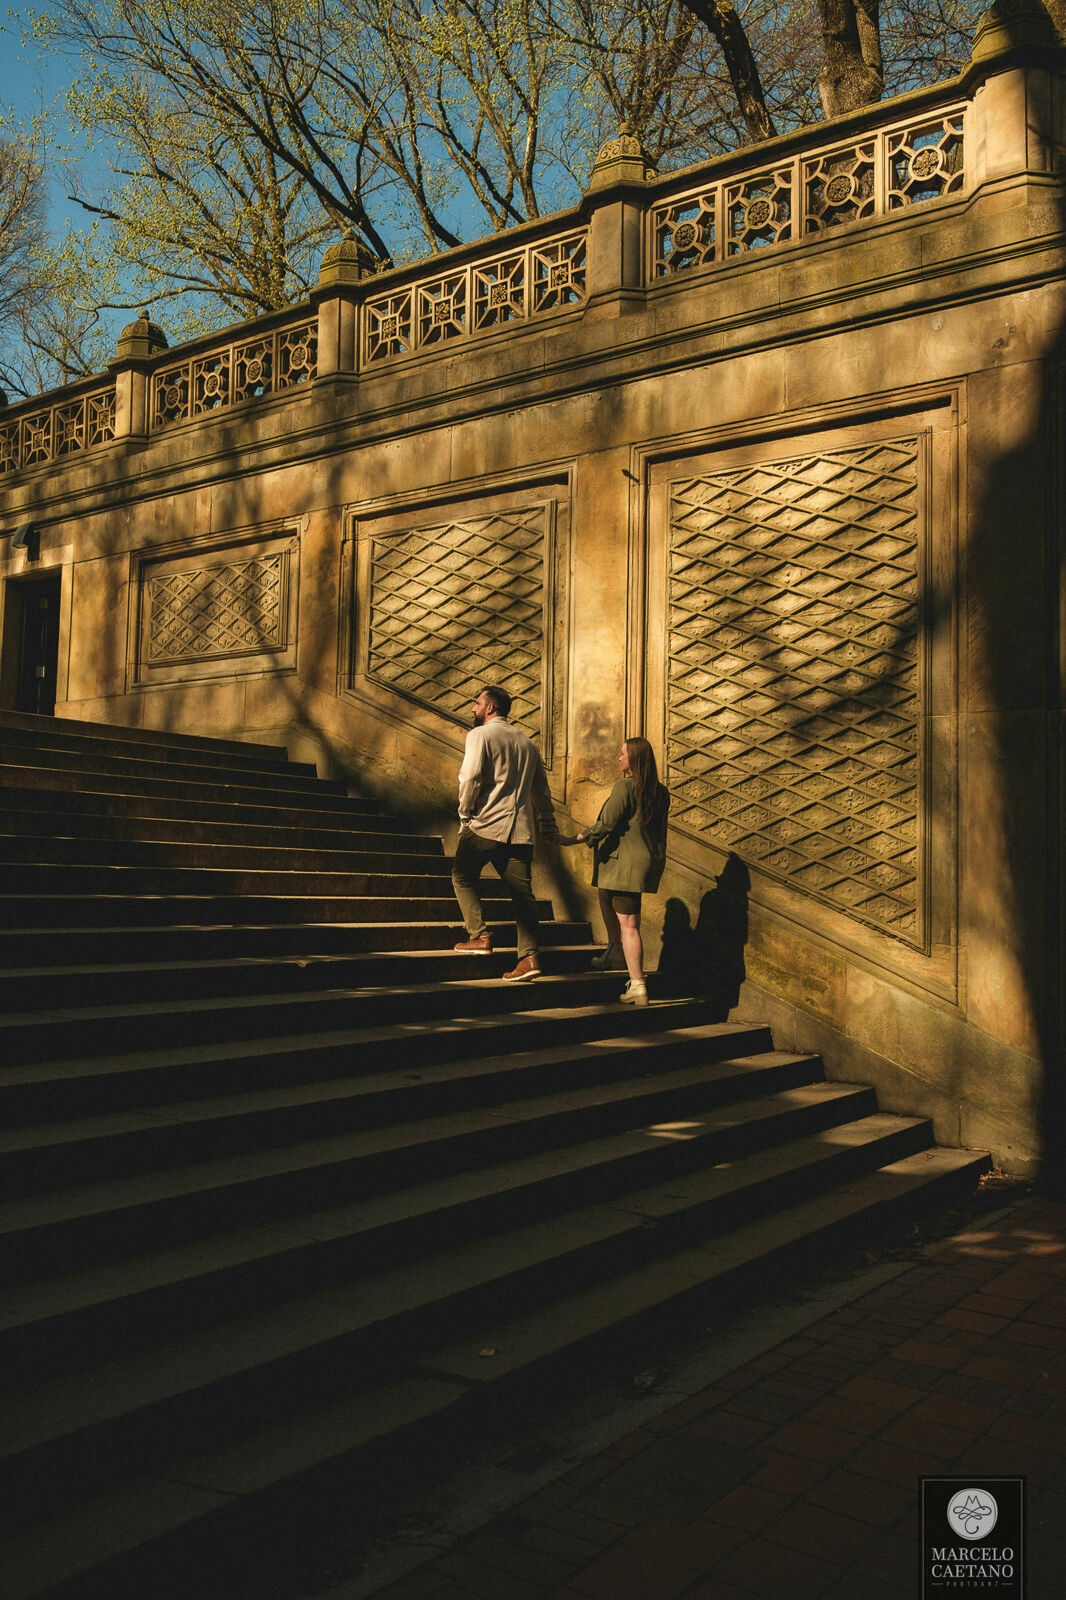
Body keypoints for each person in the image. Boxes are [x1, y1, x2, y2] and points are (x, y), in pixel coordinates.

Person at [451, 685, 558, 982]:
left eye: (477, 703)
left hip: (485, 825)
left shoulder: (480, 735)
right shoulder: (528, 744)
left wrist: (465, 813)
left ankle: (479, 935)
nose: (473, 708)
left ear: (490, 707)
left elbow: (470, 777)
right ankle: (528, 957)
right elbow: (541, 791)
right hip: (521, 832)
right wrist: (547, 822)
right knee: (523, 897)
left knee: (462, 877)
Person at [557, 737, 669, 1006]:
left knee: (629, 925)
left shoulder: (625, 787)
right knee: (605, 894)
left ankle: (637, 984)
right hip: (644, 863)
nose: (619, 758)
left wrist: (573, 839)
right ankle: (615, 950)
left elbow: (607, 823)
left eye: (623, 754)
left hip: (624, 866)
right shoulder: (660, 791)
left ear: (634, 758)